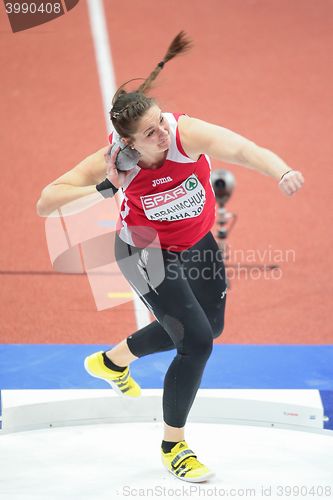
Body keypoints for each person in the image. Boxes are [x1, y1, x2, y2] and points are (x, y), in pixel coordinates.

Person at [36, 32, 305, 482]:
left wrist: (281, 170)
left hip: (198, 243)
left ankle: (113, 360)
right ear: (127, 142)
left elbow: (241, 148)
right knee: (197, 341)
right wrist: (107, 188)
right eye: (150, 132)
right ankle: (173, 445)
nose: (163, 133)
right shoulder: (113, 162)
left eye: (162, 122)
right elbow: (47, 202)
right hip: (145, 252)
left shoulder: (185, 133)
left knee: (210, 326)